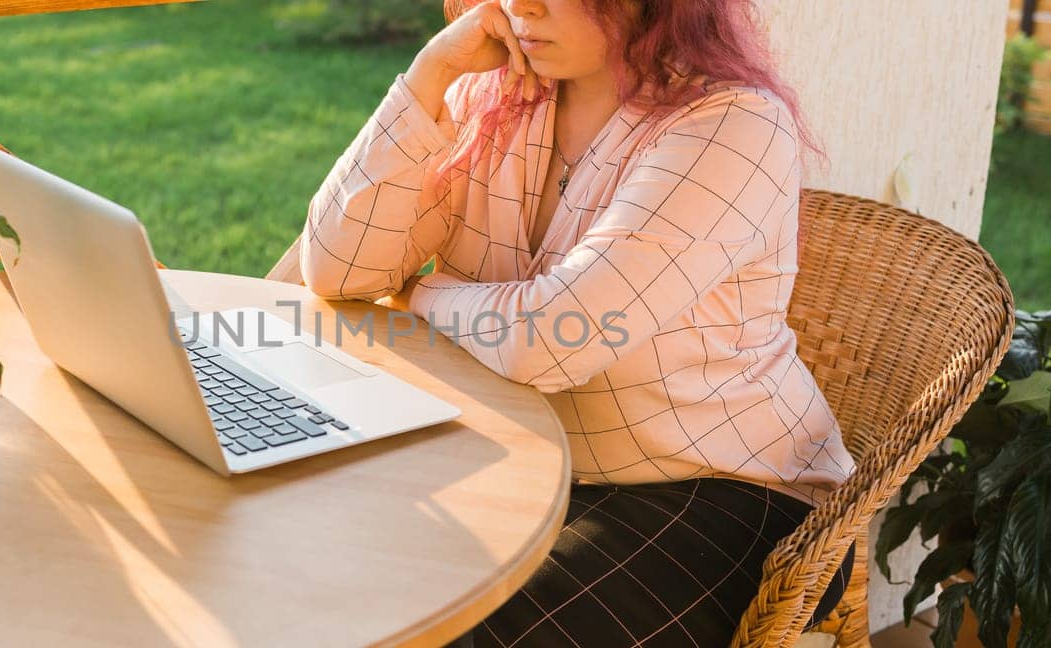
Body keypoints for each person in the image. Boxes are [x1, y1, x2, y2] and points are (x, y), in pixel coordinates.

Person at [300, 0, 856, 645]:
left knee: (450, 627)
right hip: (529, 466)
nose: (520, 6)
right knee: (332, 567)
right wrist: (429, 75)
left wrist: (421, 296)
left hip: (718, 487)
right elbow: (342, 269)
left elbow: (551, 342)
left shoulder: (734, 125)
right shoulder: (493, 94)